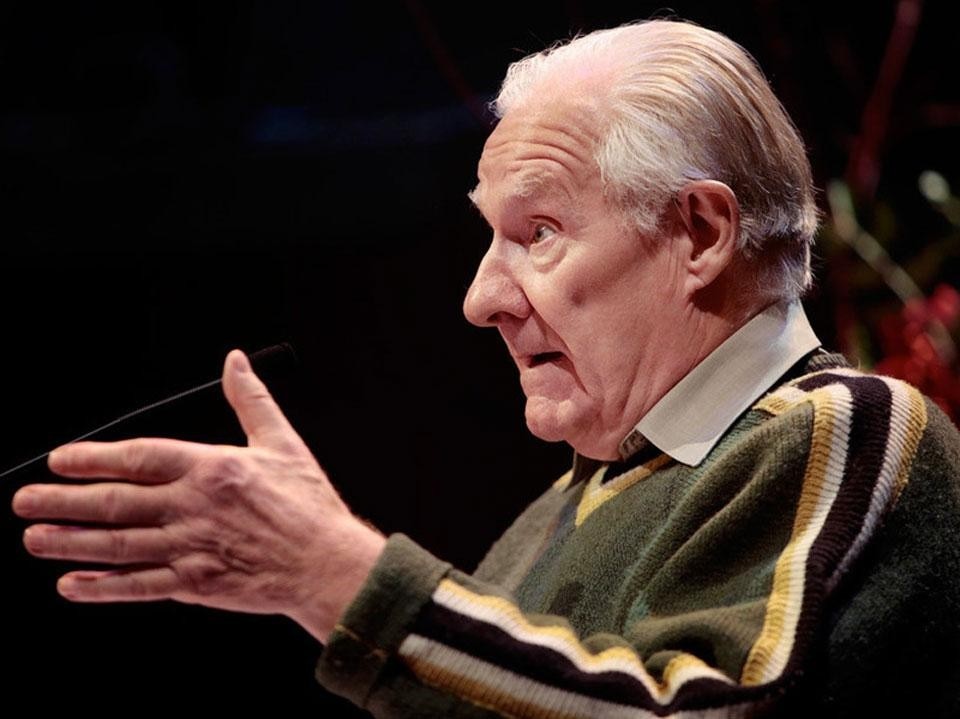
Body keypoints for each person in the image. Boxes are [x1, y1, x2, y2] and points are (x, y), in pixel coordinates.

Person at [11, 19, 960, 718]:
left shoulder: (846, 426)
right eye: (489, 238)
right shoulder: (558, 510)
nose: (480, 299)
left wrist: (338, 576)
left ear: (700, 232)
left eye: (536, 233)